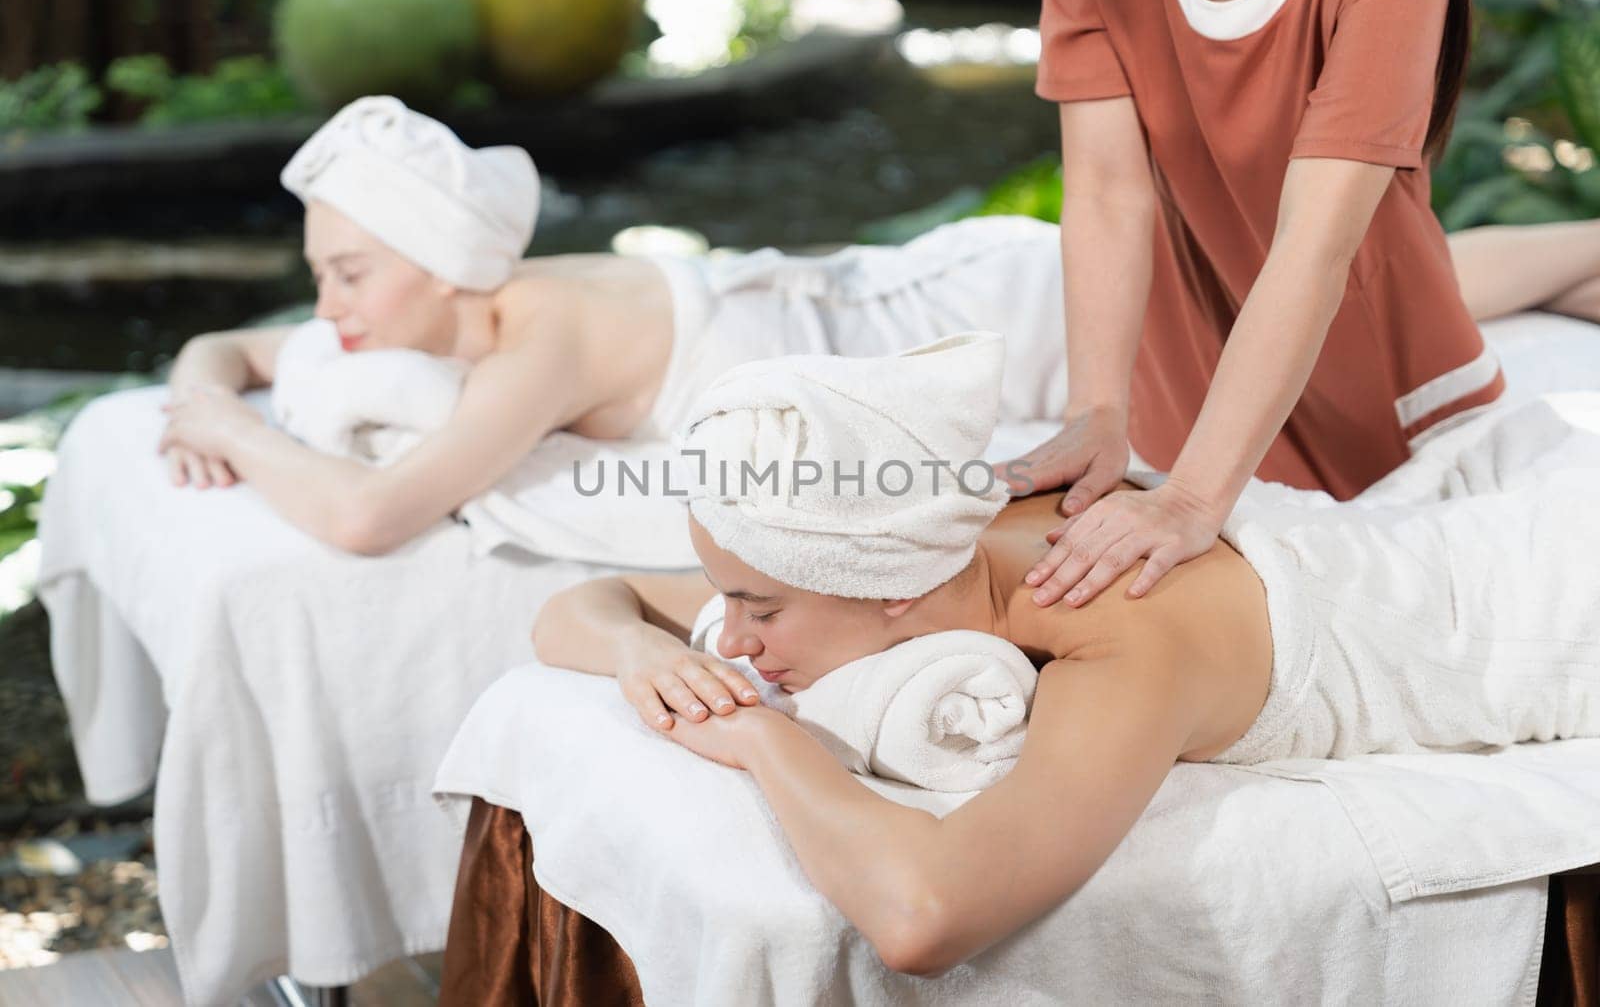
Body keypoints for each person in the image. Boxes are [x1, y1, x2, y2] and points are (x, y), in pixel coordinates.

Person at [533, 334, 1600, 975]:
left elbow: (922, 916)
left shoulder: (1123, 630)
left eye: (755, 608)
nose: (740, 641)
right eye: (728, 603)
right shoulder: (927, 521)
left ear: (893, 588)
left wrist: (764, 739)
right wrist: (635, 647)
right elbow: (581, 602)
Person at [159, 97, 1599, 556]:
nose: (331, 308)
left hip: (993, 313)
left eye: (349, 273)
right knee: (1361, 298)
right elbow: (235, 347)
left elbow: (370, 518)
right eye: (327, 274)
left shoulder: (531, 331)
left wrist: (216, 424)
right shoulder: (445, 306)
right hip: (920, 295)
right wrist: (199, 376)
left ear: (432, 264)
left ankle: (1585, 243)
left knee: (1367, 299)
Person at [1001, 0, 1600, 612]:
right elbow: (1109, 190)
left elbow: (1313, 247)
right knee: (1431, 267)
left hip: (1369, 393)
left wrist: (1195, 497)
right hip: (1201, 348)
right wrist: (1097, 412)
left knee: (1409, 271)